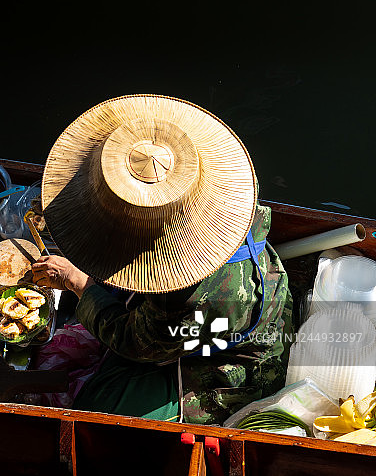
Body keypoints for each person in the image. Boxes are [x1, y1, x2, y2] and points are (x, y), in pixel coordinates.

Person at [30, 95, 293, 425]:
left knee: (98, 413)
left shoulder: (188, 296)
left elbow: (135, 342)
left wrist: (77, 282)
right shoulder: (212, 186)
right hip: (222, 305)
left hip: (227, 362)